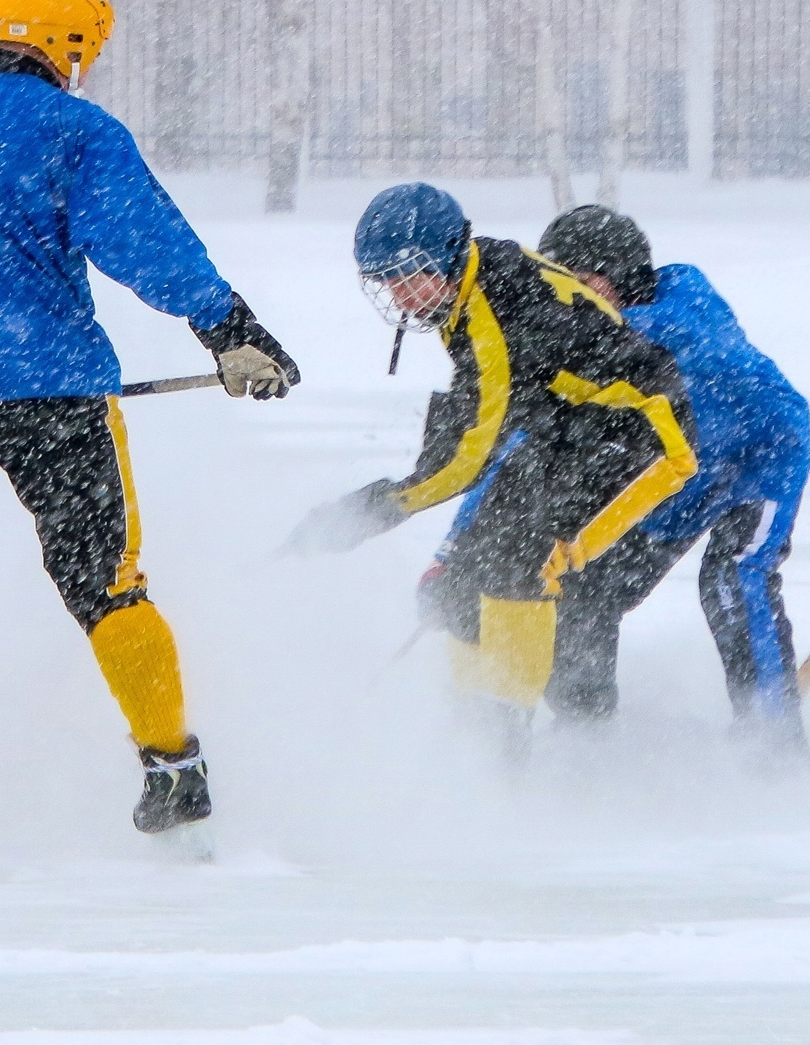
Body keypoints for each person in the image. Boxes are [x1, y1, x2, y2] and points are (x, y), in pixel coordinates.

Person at [0, 0, 299, 844]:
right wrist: (229, 327)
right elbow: (148, 244)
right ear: (71, 43)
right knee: (106, 583)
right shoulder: (78, 129)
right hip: (58, 387)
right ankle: (174, 772)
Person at [289, 184, 698, 751]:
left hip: (645, 444)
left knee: (529, 565)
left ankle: (516, 740)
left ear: (450, 252)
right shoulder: (475, 283)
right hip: (572, 434)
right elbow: (474, 423)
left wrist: (370, 511)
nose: (401, 293)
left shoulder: (493, 318)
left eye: (411, 272)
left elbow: (464, 460)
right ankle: (471, 730)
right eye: (386, 279)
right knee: (466, 571)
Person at [418, 205, 810, 749]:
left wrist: (563, 336)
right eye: (562, 281)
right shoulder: (581, 341)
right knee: (574, 587)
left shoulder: (676, 316)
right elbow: (520, 447)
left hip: (756, 463)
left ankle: (775, 742)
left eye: (586, 281)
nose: (573, 294)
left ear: (623, 273)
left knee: (732, 581)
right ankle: (588, 733)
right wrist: (456, 550)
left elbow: (667, 337)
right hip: (663, 482)